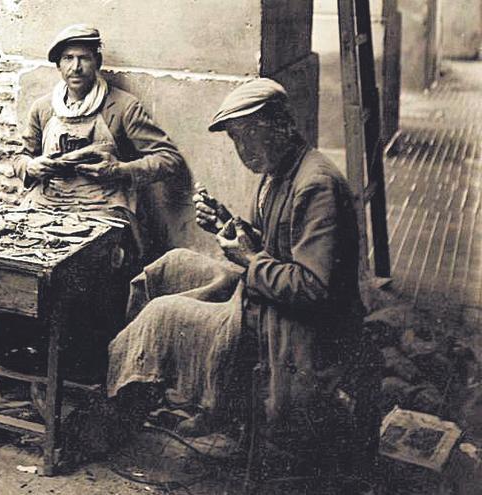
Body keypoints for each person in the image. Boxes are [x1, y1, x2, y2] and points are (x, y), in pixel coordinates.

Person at [107, 78, 382, 484]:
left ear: (279, 126)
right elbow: (276, 245)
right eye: (236, 141)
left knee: (164, 314)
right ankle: (140, 395)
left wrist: (250, 259)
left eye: (248, 138)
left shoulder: (316, 185)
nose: (242, 152)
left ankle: (116, 412)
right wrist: (228, 224)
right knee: (171, 265)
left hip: (299, 327)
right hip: (267, 292)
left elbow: (313, 288)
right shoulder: (280, 169)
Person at [0, 24, 190, 403]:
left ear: (98, 62)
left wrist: (121, 171)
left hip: (103, 215)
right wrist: (32, 167)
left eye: (84, 58)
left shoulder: (122, 107)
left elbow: (169, 161)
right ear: (58, 65)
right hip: (47, 208)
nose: (76, 67)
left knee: (73, 284)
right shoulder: (44, 107)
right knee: (6, 275)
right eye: (68, 59)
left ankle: (64, 375)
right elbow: (18, 157)